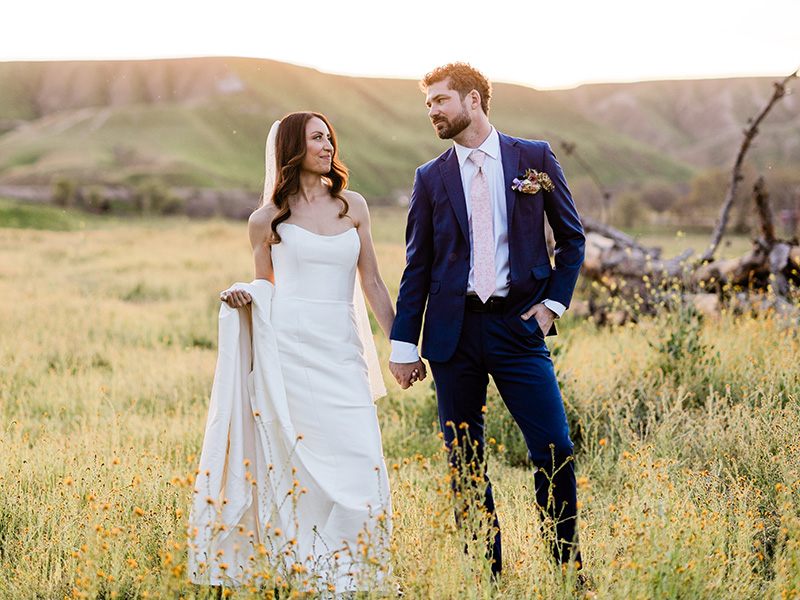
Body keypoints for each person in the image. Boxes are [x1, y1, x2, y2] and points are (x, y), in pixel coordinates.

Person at [389, 63, 585, 576]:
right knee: (465, 460)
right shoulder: (430, 177)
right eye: (428, 103)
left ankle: (566, 567)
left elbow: (572, 239)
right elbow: (418, 265)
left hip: (519, 327)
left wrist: (552, 306)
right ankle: (487, 573)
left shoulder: (533, 158)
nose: (432, 110)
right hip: (452, 335)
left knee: (554, 447)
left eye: (440, 100)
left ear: (473, 100)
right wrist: (403, 345)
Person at [187, 111, 396, 595]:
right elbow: (267, 286)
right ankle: (311, 569)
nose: (328, 146)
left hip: (342, 352)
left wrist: (401, 344)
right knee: (300, 460)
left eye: (329, 137)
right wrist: (245, 294)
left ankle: (361, 572)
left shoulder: (354, 206)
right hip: (291, 350)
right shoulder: (265, 220)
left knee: (362, 456)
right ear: (291, 150)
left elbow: (372, 281)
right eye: (317, 138)